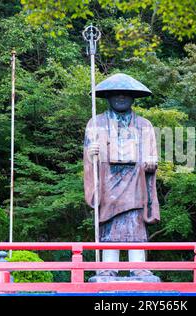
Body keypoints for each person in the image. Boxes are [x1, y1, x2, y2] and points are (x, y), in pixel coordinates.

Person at [83, 73, 160, 279]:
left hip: (135, 182)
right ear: (107, 97)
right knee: (109, 227)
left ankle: (139, 268)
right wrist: (92, 153)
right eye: (116, 94)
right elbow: (88, 156)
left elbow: (151, 152)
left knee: (135, 224)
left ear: (133, 97)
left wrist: (151, 161)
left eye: (125, 94)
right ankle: (108, 268)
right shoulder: (96, 123)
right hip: (107, 183)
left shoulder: (144, 125)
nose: (120, 97)